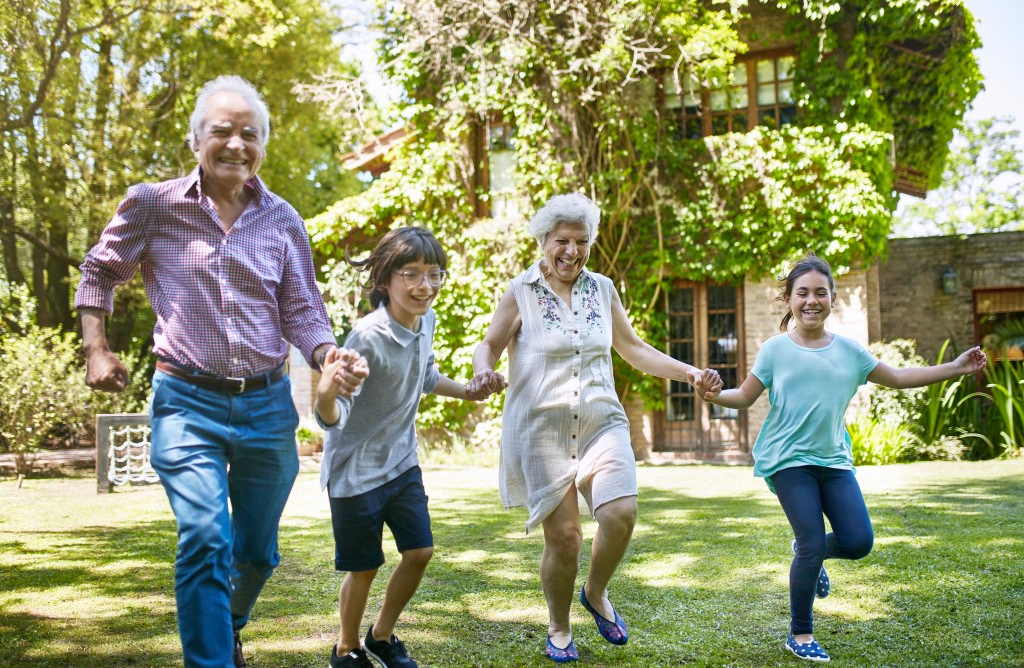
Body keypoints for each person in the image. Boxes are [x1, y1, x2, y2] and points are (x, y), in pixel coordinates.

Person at [75, 75, 366, 668]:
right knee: (205, 538)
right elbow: (100, 271)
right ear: (196, 142)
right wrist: (96, 349)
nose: (237, 144)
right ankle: (210, 659)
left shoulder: (282, 218)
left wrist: (325, 354)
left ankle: (226, 622)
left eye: (249, 134)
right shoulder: (154, 204)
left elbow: (302, 306)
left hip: (266, 405)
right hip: (186, 400)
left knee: (257, 553)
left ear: (263, 145)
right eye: (222, 132)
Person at [691, 254, 987, 663]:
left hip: (833, 461)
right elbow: (742, 397)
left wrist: (953, 368)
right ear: (789, 299)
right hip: (787, 459)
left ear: (832, 298)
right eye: (802, 293)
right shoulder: (775, 350)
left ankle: (808, 553)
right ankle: (800, 632)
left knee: (858, 541)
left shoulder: (850, 352)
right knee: (813, 543)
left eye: (820, 292)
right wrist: (711, 395)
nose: (811, 300)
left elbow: (898, 378)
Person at [471, 193, 721, 663]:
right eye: (561, 241)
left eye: (581, 241)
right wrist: (483, 370)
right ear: (543, 241)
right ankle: (559, 625)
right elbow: (489, 344)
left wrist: (688, 372)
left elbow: (633, 348)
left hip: (600, 421)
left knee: (620, 512)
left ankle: (596, 591)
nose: (572, 251)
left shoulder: (602, 289)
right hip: (542, 429)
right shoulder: (520, 291)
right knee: (565, 538)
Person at [315, 226, 504, 668]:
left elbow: (425, 376)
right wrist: (325, 391)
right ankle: (346, 649)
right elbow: (332, 417)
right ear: (385, 279)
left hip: (401, 462)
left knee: (419, 552)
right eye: (412, 274)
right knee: (363, 568)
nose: (426, 286)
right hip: (354, 471)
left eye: (434, 273)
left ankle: (381, 636)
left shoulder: (427, 320)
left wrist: (468, 390)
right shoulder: (366, 338)